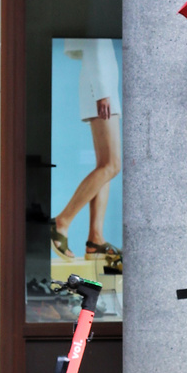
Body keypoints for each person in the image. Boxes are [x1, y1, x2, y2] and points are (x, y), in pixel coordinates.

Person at [50, 39, 122, 262]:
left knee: (105, 166)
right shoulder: (97, 15)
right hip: (101, 89)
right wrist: (102, 91)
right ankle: (61, 222)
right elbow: (95, 45)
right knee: (112, 165)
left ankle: (95, 239)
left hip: (103, 87)